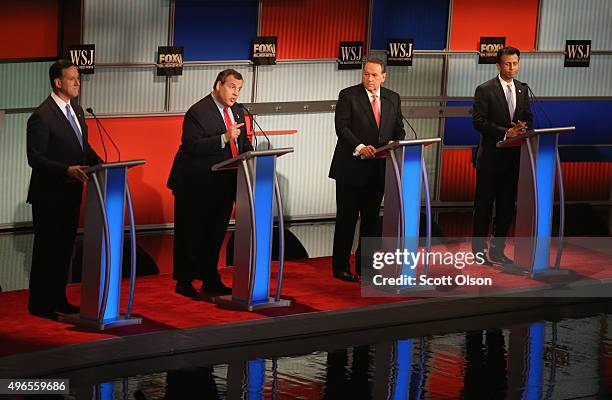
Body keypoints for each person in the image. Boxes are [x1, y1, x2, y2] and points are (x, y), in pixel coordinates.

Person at [167, 69, 253, 297]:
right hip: (195, 184)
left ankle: (209, 278)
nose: (236, 93)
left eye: (239, 89)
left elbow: (242, 142)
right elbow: (191, 145)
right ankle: (184, 282)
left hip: (224, 183)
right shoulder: (198, 112)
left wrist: (251, 153)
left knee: (215, 234)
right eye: (232, 87)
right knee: (191, 234)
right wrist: (224, 138)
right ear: (218, 85)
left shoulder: (238, 110)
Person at [26, 60, 101, 318]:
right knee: (48, 249)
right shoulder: (41, 115)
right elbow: (35, 158)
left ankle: (59, 298)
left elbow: (83, 148)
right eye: (72, 79)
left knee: (64, 249)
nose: (78, 82)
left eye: (78, 78)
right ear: (58, 83)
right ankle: (40, 304)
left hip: (71, 193)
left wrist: (102, 165)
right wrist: (65, 170)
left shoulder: (78, 111)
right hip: (49, 195)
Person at [329, 58, 406, 282]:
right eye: (366, 74)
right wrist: (361, 147)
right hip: (351, 169)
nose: (369, 79)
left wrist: (395, 142)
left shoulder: (393, 98)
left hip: (379, 170)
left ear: (384, 76)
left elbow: (399, 129)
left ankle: (366, 268)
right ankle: (340, 267)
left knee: (371, 222)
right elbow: (341, 128)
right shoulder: (348, 95)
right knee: (347, 220)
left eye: (374, 75)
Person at [472, 46, 532, 266]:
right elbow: (478, 122)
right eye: (507, 63)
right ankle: (478, 252)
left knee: (506, 207)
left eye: (515, 63)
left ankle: (498, 251)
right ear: (498, 65)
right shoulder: (485, 89)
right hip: (490, 160)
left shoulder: (523, 89)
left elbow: (528, 117)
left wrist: (524, 127)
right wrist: (506, 132)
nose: (512, 67)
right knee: (484, 206)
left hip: (514, 159)